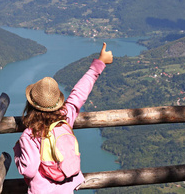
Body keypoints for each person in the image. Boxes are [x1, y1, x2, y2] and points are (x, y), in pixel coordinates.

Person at [13, 43, 113, 194]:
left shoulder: (30, 135)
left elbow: (29, 170)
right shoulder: (65, 117)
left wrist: (18, 153)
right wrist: (100, 63)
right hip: (67, 187)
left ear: (31, 105)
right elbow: (80, 93)